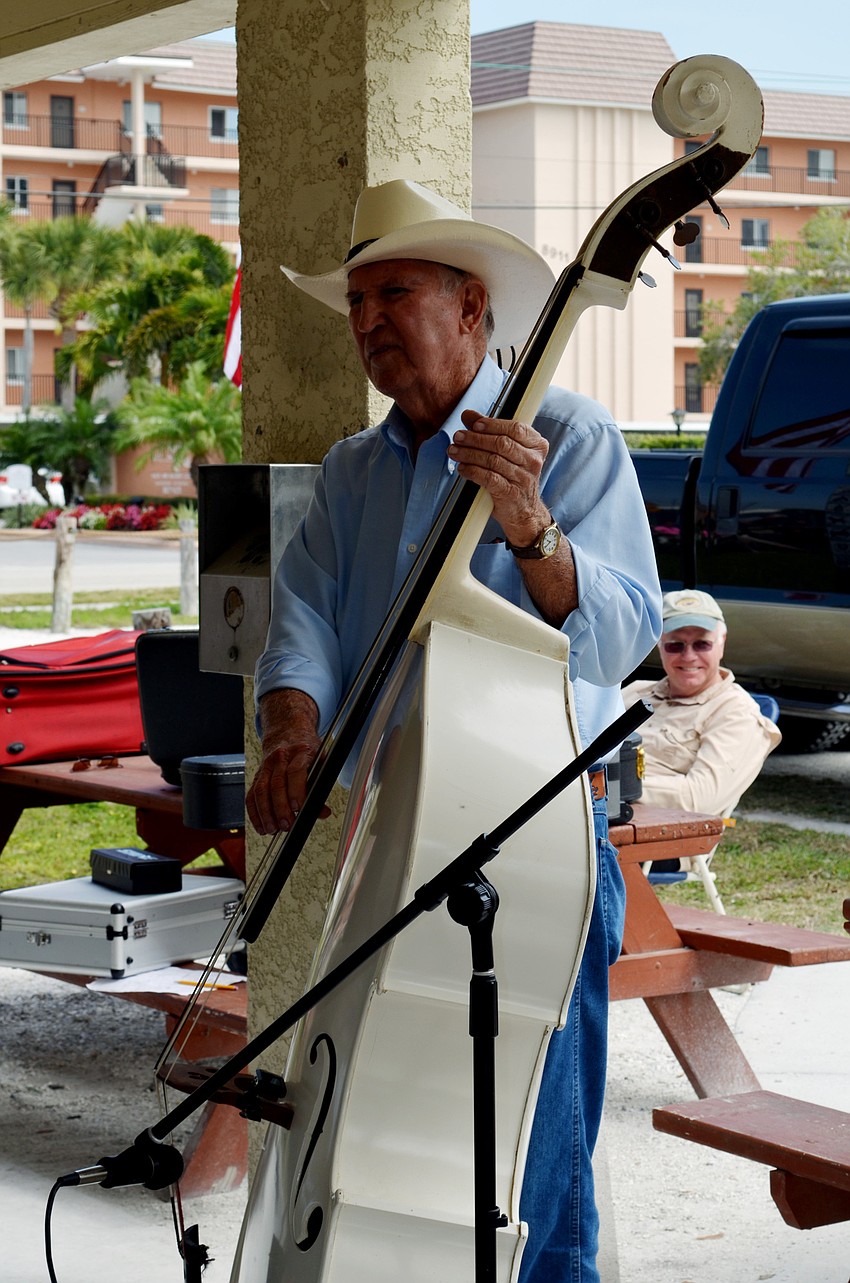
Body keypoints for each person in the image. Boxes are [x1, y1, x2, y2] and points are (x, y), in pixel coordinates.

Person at [246, 178, 662, 1283]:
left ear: (471, 308)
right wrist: (292, 732)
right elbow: (302, 631)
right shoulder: (350, 469)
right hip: (396, 830)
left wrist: (529, 523)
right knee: (399, 1116)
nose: (369, 321)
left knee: (535, 1126)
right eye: (356, 302)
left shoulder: (566, 436)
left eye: (395, 293)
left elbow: (621, 634)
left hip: (532, 834)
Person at [622, 589, 781, 815]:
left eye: (702, 644)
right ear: (660, 646)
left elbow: (699, 799)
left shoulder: (736, 713)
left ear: (721, 643)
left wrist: (607, 787)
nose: (688, 656)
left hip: (657, 842)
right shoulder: (634, 693)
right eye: (675, 645)